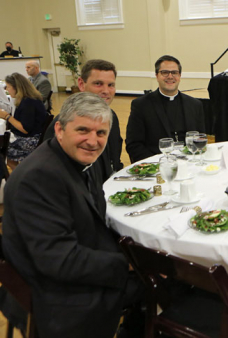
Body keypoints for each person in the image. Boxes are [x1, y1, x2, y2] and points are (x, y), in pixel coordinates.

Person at [2, 92, 143, 338]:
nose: (92, 140)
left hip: (62, 269)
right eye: (83, 130)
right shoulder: (40, 177)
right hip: (56, 294)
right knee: (160, 285)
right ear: (59, 129)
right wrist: (130, 265)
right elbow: (60, 261)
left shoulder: (69, 159)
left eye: (101, 133)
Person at [44, 59, 123, 182]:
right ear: (81, 84)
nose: (106, 91)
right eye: (98, 83)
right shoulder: (65, 123)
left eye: (110, 85)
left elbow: (114, 160)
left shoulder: (111, 116)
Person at [126, 55, 205, 163]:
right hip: (157, 166)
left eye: (174, 72)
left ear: (180, 76)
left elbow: (201, 139)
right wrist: (157, 164)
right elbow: (134, 144)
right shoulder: (141, 105)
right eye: (165, 72)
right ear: (157, 75)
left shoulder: (195, 105)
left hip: (190, 163)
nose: (170, 76)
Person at [0, 73, 47, 170]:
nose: (7, 90)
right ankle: (21, 173)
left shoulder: (28, 102)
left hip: (31, 139)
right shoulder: (27, 99)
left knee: (2, 148)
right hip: (32, 136)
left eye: (8, 87)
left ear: (16, 87)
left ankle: (21, 174)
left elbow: (25, 129)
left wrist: (7, 116)